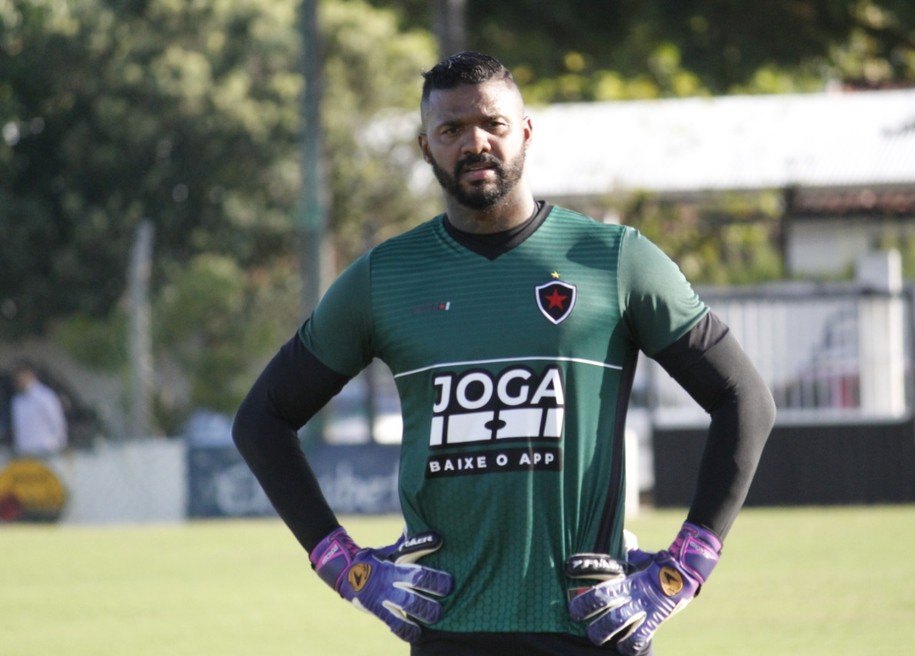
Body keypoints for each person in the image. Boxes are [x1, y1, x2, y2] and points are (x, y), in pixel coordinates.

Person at [233, 51, 776, 656]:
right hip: (446, 629)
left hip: (594, 623)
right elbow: (262, 419)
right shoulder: (384, 278)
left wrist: (684, 568)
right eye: (451, 130)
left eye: (492, 124)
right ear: (425, 147)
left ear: (525, 131)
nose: (475, 143)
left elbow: (744, 397)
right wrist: (345, 565)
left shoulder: (615, 259)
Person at [10, 361, 68, 457]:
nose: (19, 379)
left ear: (30, 375)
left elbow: (57, 421)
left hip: (45, 450)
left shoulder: (45, 396)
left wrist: (59, 443)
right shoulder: (17, 401)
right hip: (25, 451)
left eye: (21, 375)